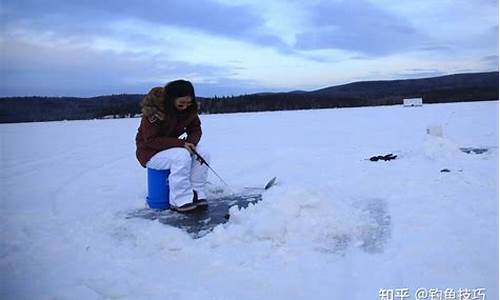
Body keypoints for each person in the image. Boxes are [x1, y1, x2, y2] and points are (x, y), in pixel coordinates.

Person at [135, 80, 209, 213]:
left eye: (189, 103)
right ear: (171, 99)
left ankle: (197, 193)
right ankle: (180, 200)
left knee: (202, 152)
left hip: (171, 148)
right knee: (181, 156)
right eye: (181, 104)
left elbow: (195, 129)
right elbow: (151, 140)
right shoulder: (154, 112)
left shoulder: (189, 111)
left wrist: (191, 142)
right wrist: (181, 144)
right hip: (149, 152)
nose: (185, 107)